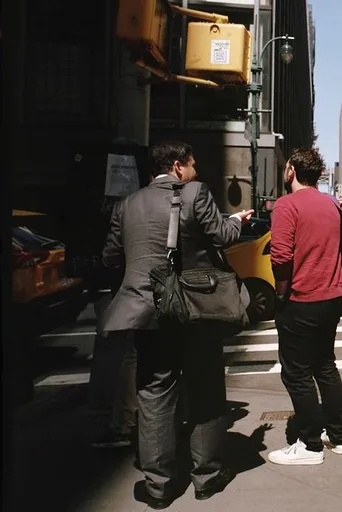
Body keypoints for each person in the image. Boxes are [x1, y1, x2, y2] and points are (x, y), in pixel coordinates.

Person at [100, 141, 253, 509]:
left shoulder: (128, 204)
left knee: (153, 395)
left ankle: (158, 485)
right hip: (193, 311)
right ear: (178, 166)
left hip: (146, 312)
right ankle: (207, 476)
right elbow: (224, 236)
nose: (196, 171)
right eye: (193, 164)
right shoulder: (195, 193)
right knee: (205, 389)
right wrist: (236, 220)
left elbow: (110, 256)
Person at [267, 148, 342, 466]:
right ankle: (338, 437)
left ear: (291, 171)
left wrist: (281, 293)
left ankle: (311, 445)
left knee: (296, 374)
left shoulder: (287, 204)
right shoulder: (330, 203)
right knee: (325, 366)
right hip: (331, 297)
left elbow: (281, 256)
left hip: (301, 300)